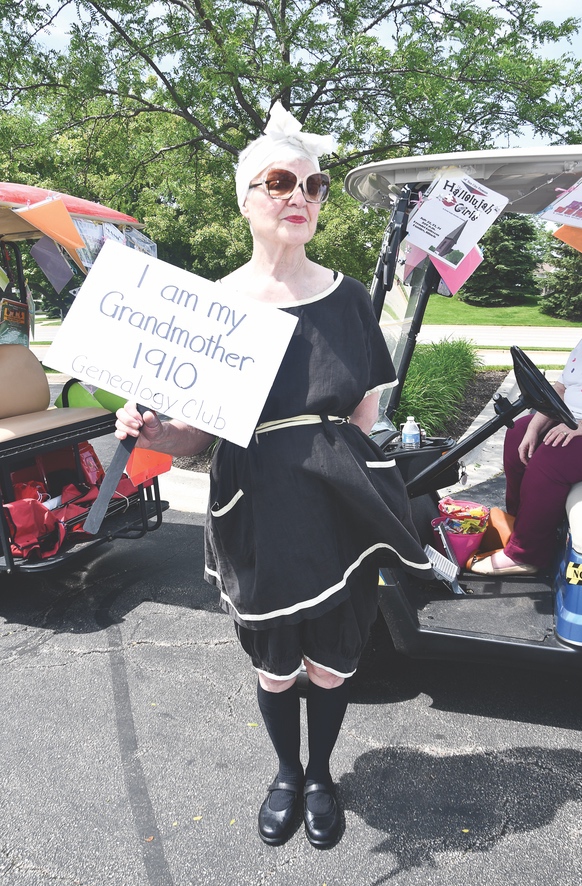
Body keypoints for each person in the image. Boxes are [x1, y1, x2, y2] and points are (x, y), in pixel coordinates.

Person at [115, 102, 432, 848]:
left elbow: (362, 416)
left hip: (337, 509)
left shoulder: (350, 298)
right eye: (280, 181)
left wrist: (351, 485)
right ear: (246, 199)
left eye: (314, 185)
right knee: (275, 662)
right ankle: (284, 772)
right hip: (253, 505)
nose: (300, 196)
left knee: (332, 658)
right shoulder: (215, 305)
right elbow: (200, 431)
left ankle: (320, 772)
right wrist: (158, 431)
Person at [470, 318, 582, 576]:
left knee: (555, 455)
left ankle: (526, 554)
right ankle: (522, 527)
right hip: (576, 420)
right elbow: (562, 387)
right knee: (518, 433)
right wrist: (534, 427)